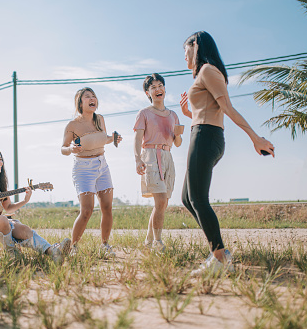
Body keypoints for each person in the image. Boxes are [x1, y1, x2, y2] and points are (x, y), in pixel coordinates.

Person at [180, 31, 275, 275]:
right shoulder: (204, 73)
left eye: (185, 50)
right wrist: (189, 114)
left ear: (196, 44)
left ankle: (220, 259)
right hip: (201, 133)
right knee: (188, 199)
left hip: (206, 137)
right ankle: (219, 253)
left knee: (198, 199)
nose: (184, 57)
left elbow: (228, 109)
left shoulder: (208, 71)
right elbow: (209, 111)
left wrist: (255, 138)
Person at [61, 87, 122, 258]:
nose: (92, 98)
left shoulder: (100, 119)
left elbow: (104, 139)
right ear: (80, 102)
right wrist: (71, 148)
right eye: (87, 97)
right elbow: (63, 148)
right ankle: (73, 247)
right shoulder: (72, 125)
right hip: (83, 168)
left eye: (93, 96)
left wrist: (113, 139)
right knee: (87, 210)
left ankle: (105, 245)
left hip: (102, 165)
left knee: (107, 207)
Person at [134, 73, 183, 252]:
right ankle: (158, 242)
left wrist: (177, 134)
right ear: (148, 93)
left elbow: (177, 143)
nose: (157, 89)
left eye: (160, 85)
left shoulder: (173, 115)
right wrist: (137, 159)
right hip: (150, 155)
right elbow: (137, 137)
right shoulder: (144, 113)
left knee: (162, 203)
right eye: (153, 87)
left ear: (164, 89)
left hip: (168, 156)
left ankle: (148, 241)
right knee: (161, 201)